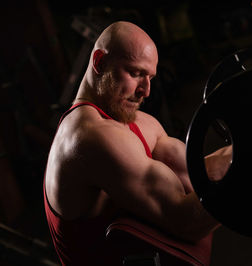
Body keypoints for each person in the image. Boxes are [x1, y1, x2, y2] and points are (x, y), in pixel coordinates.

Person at [43, 21, 229, 265]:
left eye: (150, 77)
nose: (146, 90)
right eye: (135, 73)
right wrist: (249, 166)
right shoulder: (87, 136)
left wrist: (244, 148)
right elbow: (186, 222)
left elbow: (197, 178)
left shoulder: (141, 122)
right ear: (99, 62)